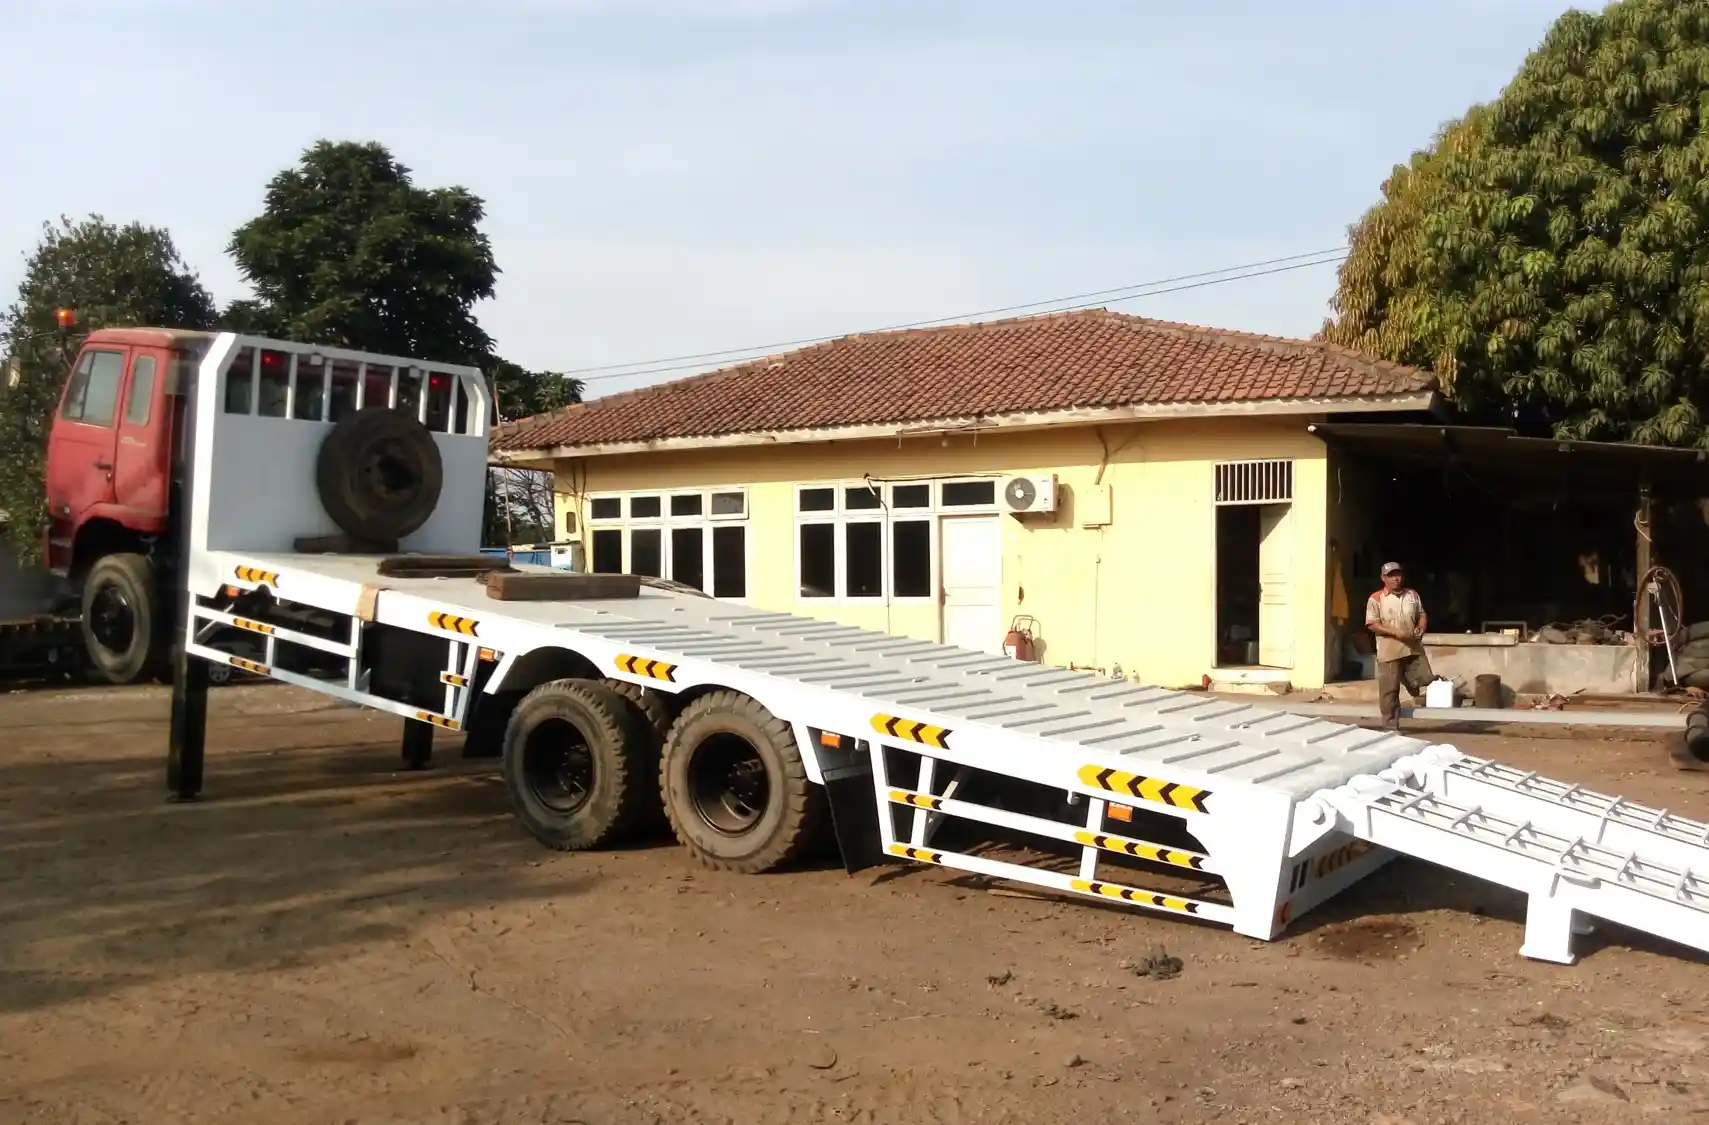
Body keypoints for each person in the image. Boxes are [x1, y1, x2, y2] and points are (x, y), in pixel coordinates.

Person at [1365, 561, 1432, 729]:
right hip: (1390, 650)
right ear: (1383, 578)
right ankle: (1390, 726)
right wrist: (1395, 633)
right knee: (1389, 691)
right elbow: (1372, 624)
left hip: (1413, 648)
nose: (1396, 579)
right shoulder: (1376, 598)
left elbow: (1422, 613)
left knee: (1426, 678)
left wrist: (1421, 625)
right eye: (1391, 576)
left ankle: (1404, 677)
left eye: (1398, 575)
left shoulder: (1412, 595)